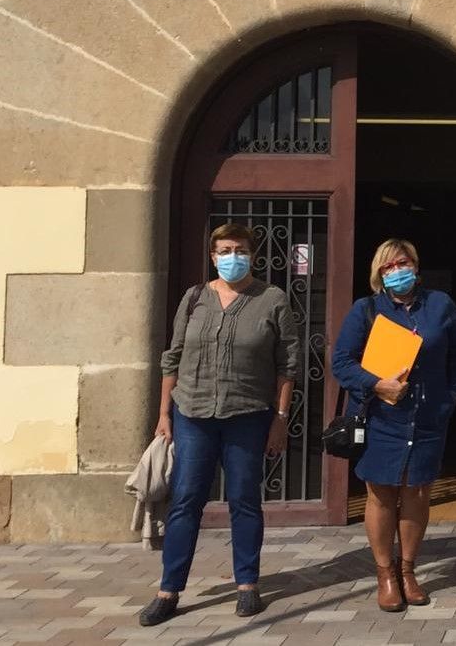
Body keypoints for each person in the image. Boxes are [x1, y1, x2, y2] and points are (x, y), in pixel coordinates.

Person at [139, 223, 299, 626]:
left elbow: (288, 365)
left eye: (240, 249)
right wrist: (163, 415)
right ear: (213, 256)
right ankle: (169, 589)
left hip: (247, 416)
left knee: (245, 500)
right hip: (192, 415)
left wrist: (280, 419)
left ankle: (247, 584)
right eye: (224, 250)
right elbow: (172, 358)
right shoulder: (195, 298)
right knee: (185, 501)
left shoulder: (272, 299)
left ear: (253, 254)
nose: (232, 257)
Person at [331, 239, 456, 612]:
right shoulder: (366, 311)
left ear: (416, 264)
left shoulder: (440, 305)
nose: (397, 271)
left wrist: (454, 394)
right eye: (388, 267)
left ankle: (408, 570)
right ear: (379, 274)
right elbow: (342, 362)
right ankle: (384, 573)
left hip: (428, 417)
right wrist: (376, 384)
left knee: (417, 493)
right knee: (381, 494)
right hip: (382, 418)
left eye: (403, 263)